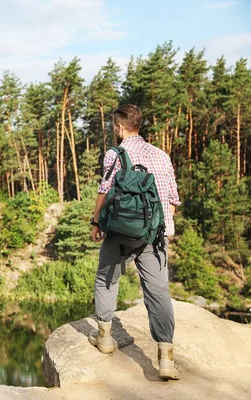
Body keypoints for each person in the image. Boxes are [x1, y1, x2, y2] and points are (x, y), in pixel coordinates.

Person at [88, 104, 181, 380]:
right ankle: (166, 358)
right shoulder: (161, 155)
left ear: (119, 127)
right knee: (158, 292)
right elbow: (173, 201)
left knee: (107, 278)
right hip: (154, 234)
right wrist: (155, 226)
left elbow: (105, 191)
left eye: (113, 127)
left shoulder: (115, 153)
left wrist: (96, 223)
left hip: (121, 232)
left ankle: (104, 337)